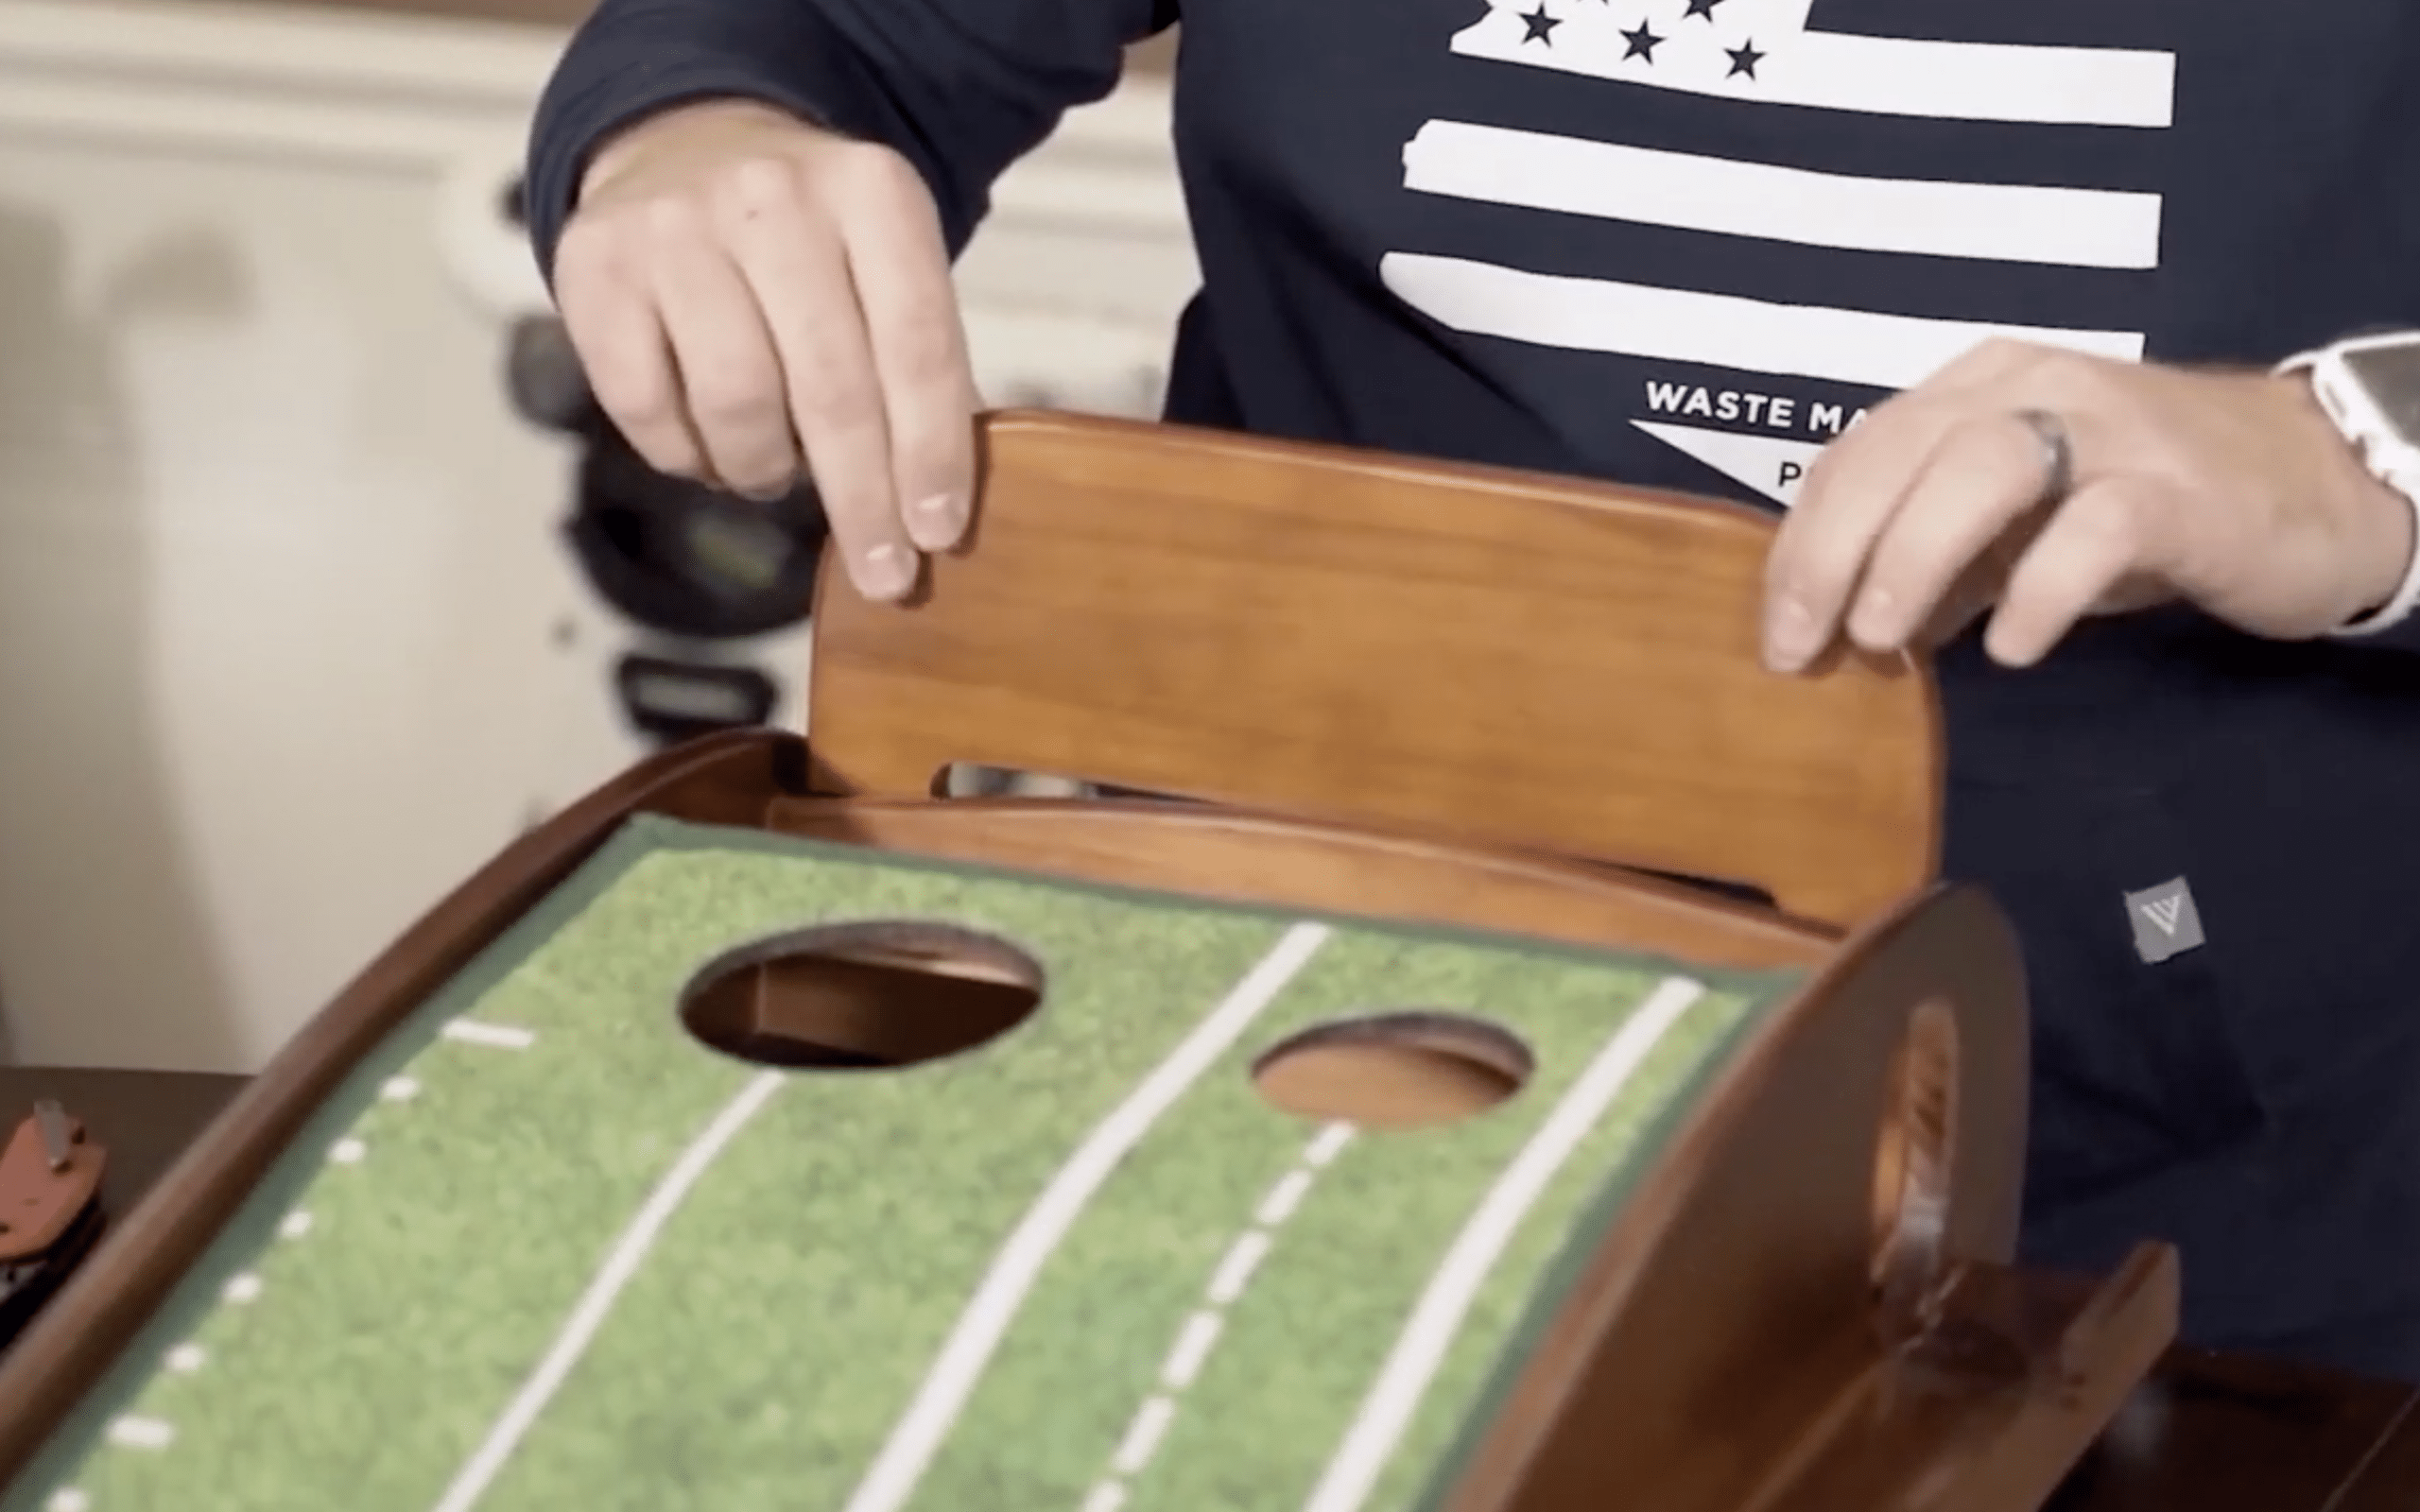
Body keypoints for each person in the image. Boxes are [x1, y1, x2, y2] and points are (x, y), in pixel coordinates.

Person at [521, 0, 2420, 1383]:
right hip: (1287, 1056)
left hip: (2176, 1213)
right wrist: (688, 129)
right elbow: (817, 32)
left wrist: (2357, 450)